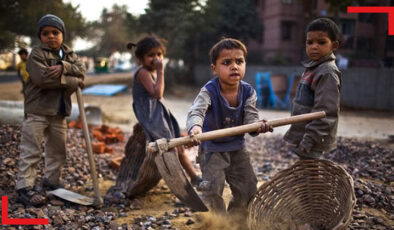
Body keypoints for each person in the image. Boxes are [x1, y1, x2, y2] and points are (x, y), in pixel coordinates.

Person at [186, 38, 272, 217]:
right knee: (212, 190)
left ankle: (236, 222)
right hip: (212, 150)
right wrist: (195, 128)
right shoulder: (209, 91)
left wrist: (257, 127)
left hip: (237, 149)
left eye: (239, 61)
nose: (234, 66)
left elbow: (251, 119)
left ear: (245, 64)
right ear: (214, 69)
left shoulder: (248, 92)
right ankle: (218, 224)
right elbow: (197, 111)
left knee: (248, 187)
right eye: (227, 62)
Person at [16, 14, 85, 206]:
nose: (51, 37)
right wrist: (73, 81)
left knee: (57, 150)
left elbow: (82, 70)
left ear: (62, 34)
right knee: (31, 150)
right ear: (40, 37)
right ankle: (24, 187)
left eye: (55, 32)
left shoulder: (70, 55)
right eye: (46, 33)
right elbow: (43, 80)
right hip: (38, 110)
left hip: (59, 111)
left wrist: (64, 66)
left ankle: (52, 181)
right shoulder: (37, 55)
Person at [127, 36, 202, 186]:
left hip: (158, 114)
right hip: (152, 118)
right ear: (141, 59)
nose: (156, 59)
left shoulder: (150, 71)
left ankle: (193, 177)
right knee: (170, 148)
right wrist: (161, 71)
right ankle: (182, 181)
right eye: (151, 55)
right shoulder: (143, 73)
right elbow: (157, 93)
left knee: (177, 145)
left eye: (159, 55)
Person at [284, 17, 341, 159]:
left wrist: (310, 139)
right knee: (306, 174)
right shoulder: (313, 68)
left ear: (334, 45)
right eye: (310, 42)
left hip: (313, 138)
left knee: (311, 175)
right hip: (305, 135)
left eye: (321, 42)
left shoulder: (327, 72)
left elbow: (325, 112)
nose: (314, 47)